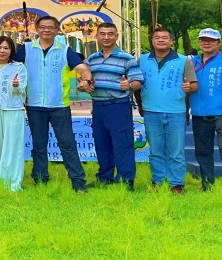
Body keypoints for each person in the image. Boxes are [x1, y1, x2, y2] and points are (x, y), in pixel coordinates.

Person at [15, 15, 91, 192]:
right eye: (42, 27)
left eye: (51, 27)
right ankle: (40, 180)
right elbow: (12, 68)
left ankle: (78, 182)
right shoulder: (25, 49)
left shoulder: (65, 50)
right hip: (34, 106)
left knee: (67, 144)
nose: (46, 30)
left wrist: (86, 81)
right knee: (39, 144)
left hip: (59, 106)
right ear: (36, 29)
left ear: (57, 30)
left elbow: (83, 68)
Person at [136, 27, 198, 194]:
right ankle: (158, 181)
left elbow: (194, 85)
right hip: (151, 112)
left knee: (176, 151)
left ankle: (176, 184)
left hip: (175, 112)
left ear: (171, 40)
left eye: (165, 37)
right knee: (155, 150)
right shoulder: (141, 60)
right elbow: (136, 86)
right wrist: (141, 105)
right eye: (157, 37)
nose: (161, 40)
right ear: (152, 41)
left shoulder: (183, 60)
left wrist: (188, 87)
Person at [82, 22, 143, 190]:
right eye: (102, 34)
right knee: (102, 144)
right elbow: (86, 79)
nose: (106, 37)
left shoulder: (126, 58)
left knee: (122, 144)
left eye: (110, 34)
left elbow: (138, 81)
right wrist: (86, 85)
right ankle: (105, 177)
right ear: (97, 36)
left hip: (118, 106)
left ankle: (125, 181)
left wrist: (129, 86)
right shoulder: (92, 59)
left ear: (117, 36)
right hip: (98, 106)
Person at [189, 28, 222, 193]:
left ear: (219, 43)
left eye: (211, 40)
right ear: (199, 42)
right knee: (202, 152)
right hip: (199, 114)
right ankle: (207, 185)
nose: (206, 43)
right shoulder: (193, 63)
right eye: (203, 39)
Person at [0, 36, 27, 192]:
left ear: (11, 50)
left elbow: (22, 91)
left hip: (13, 110)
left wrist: (16, 85)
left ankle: (14, 182)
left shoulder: (19, 67)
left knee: (13, 147)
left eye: (6, 48)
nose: (2, 51)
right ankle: (0, 180)